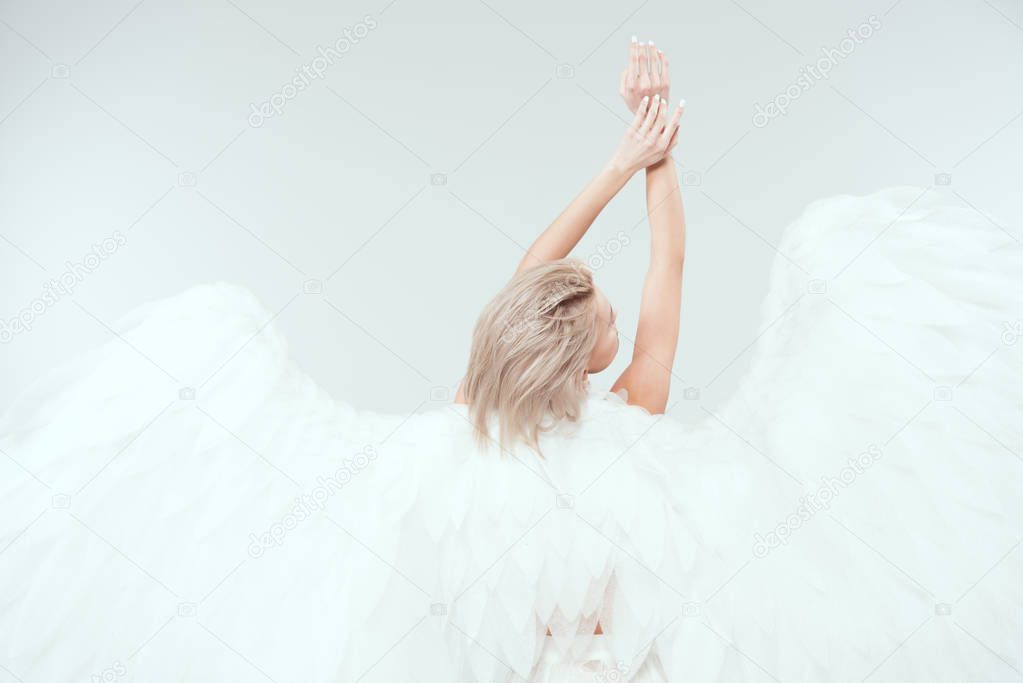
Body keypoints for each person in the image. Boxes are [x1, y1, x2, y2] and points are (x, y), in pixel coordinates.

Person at [1, 40, 1020, 682]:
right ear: (589, 353)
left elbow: (530, 280)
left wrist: (619, 159)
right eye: (608, 316)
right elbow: (667, 257)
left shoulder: (463, 429)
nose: (619, 315)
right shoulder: (637, 427)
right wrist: (658, 155)